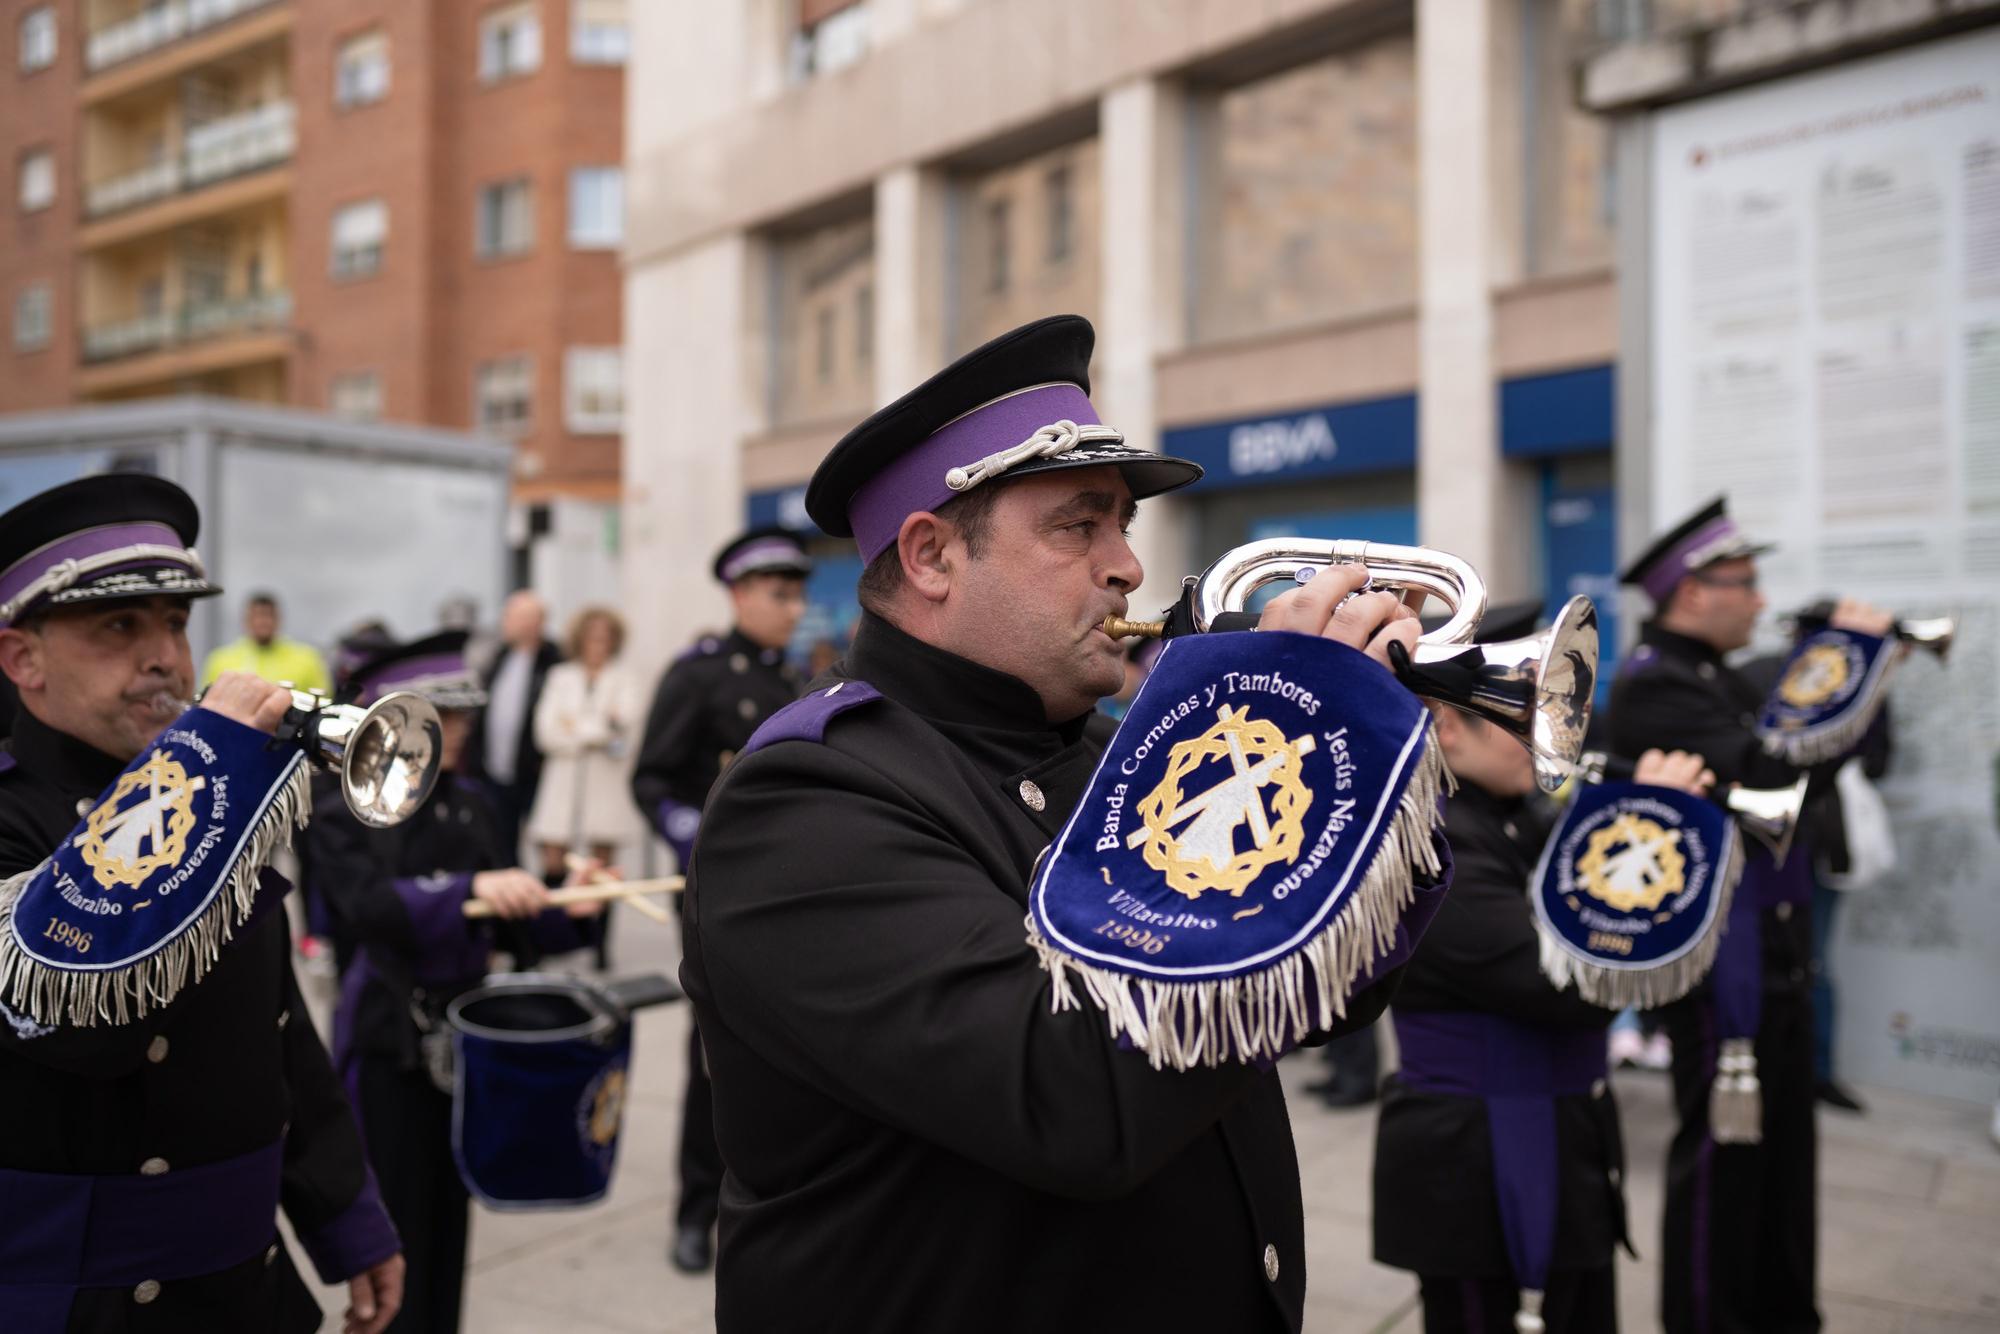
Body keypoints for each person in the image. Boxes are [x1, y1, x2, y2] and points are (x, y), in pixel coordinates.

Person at [680, 315, 1442, 1332]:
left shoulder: (1103, 756)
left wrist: (1365, 772)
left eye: (1121, 525)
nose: (1127, 564)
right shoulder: (807, 801)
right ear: (931, 554)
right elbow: (1074, 1097)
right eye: (1077, 526)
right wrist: (1267, 730)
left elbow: (1309, 992)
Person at [0, 474, 403, 1333]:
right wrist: (202, 763)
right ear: (22, 659)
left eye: (176, 625)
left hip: (247, 1288)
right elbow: (83, 1027)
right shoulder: (21, 817)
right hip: (84, 1305)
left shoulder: (202, 802)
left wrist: (346, 1217)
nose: (165, 659)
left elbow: (277, 1026)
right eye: (120, 627)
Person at [1372, 601, 1711, 1332]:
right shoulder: (1435, 842)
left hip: (1551, 1138)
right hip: (1478, 1163)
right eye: (1521, 710)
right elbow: (1569, 987)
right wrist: (1648, 827)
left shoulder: (1502, 814)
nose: (1551, 731)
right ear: (1448, 724)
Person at [1608, 496, 1893, 1334]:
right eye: (1747, 584)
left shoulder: (1715, 676)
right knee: (1724, 1174)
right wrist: (1846, 659)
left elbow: (1809, 767)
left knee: (1782, 1169)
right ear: (1695, 592)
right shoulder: (1656, 685)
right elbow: (1777, 772)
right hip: (1723, 969)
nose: (1762, 601)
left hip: (1773, 954)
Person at [305, 630, 604, 1334]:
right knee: (395, 1228)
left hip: (465, 1042)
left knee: (448, 1220)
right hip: (387, 1037)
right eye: (445, 717)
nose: (460, 732)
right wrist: (472, 887)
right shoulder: (341, 800)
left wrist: (565, 900)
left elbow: (514, 924)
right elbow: (366, 908)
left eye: (467, 717)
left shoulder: (471, 801)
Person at [631, 525, 811, 1273]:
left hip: (791, 893)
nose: (795, 609)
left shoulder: (796, 681)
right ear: (740, 595)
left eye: (798, 594)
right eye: (779, 594)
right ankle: (695, 1208)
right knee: (713, 1050)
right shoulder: (698, 675)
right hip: (718, 892)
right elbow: (651, 777)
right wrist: (696, 838)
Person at [526, 606, 643, 884]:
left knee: (601, 868)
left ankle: (597, 927)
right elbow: (545, 734)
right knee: (554, 857)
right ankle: (554, 925)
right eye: (592, 637)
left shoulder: (625, 678)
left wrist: (574, 726)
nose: (598, 644)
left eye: (605, 637)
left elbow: (626, 730)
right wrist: (600, 727)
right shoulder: (561, 676)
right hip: (562, 781)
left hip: (606, 782)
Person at [470, 591, 562, 858]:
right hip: (495, 772)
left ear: (534, 622)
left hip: (535, 773)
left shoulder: (555, 661)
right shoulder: (499, 657)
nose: (504, 622)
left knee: (548, 846)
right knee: (500, 842)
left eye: (511, 617)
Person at [201, 590, 331, 693]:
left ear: (278, 619)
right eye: (257, 616)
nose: (262, 622)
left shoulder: (308, 658)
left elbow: (323, 702)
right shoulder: (220, 660)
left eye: (268, 616)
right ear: (246, 620)